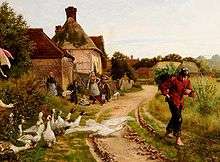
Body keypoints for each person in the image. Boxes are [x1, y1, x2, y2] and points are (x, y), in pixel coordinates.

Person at [160, 67, 195, 146]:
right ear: (179, 74)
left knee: (175, 117)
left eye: (185, 76)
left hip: (180, 102)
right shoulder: (173, 80)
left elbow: (190, 91)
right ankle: (178, 139)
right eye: (182, 76)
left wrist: (189, 91)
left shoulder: (187, 81)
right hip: (172, 101)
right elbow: (163, 86)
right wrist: (167, 95)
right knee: (179, 118)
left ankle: (169, 130)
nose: (184, 78)